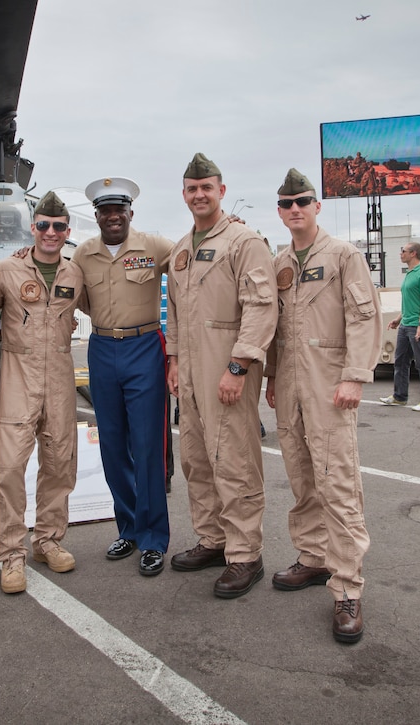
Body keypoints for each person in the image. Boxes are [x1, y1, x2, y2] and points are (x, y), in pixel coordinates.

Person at [264, 169, 382, 642]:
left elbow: (363, 317)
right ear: (280, 211)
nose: (296, 208)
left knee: (338, 483)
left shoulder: (343, 255)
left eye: (304, 201)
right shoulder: (278, 261)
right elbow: (273, 326)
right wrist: (272, 377)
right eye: (288, 202)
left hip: (330, 382)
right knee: (301, 477)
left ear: (317, 207)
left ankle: (348, 587)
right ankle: (313, 558)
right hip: (290, 384)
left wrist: (355, 376)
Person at [166, 153, 277, 599]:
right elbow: (174, 313)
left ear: (221, 191)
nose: (199, 195)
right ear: (184, 194)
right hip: (189, 374)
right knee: (195, 459)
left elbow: (261, 307)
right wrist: (173, 361)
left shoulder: (243, 242)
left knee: (233, 460)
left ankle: (245, 555)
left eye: (206, 187)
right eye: (192, 189)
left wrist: (239, 365)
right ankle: (213, 540)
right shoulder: (179, 250)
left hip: (227, 370)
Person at [72, 177, 172, 577]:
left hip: (144, 346)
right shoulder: (83, 253)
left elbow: (194, 255)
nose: (113, 217)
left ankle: (153, 539)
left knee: (147, 445)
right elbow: (74, 295)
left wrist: (229, 226)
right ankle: (128, 528)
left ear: (131, 213)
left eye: (120, 210)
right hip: (101, 348)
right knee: (112, 445)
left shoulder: (155, 246)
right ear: (96, 216)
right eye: (105, 211)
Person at [0, 191, 84, 593]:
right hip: (18, 376)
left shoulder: (75, 273)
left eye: (59, 226)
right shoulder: (6, 271)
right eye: (44, 225)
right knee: (11, 467)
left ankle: (48, 540)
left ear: (67, 231)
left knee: (60, 464)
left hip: (61, 378)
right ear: (33, 228)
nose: (51, 232)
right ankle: (11, 555)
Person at [379, 241, 420, 411]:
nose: (400, 254)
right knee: (400, 362)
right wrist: (398, 319)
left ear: (413, 254)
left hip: (418, 327)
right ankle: (399, 397)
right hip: (406, 325)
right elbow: (410, 302)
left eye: (403, 251)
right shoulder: (409, 273)